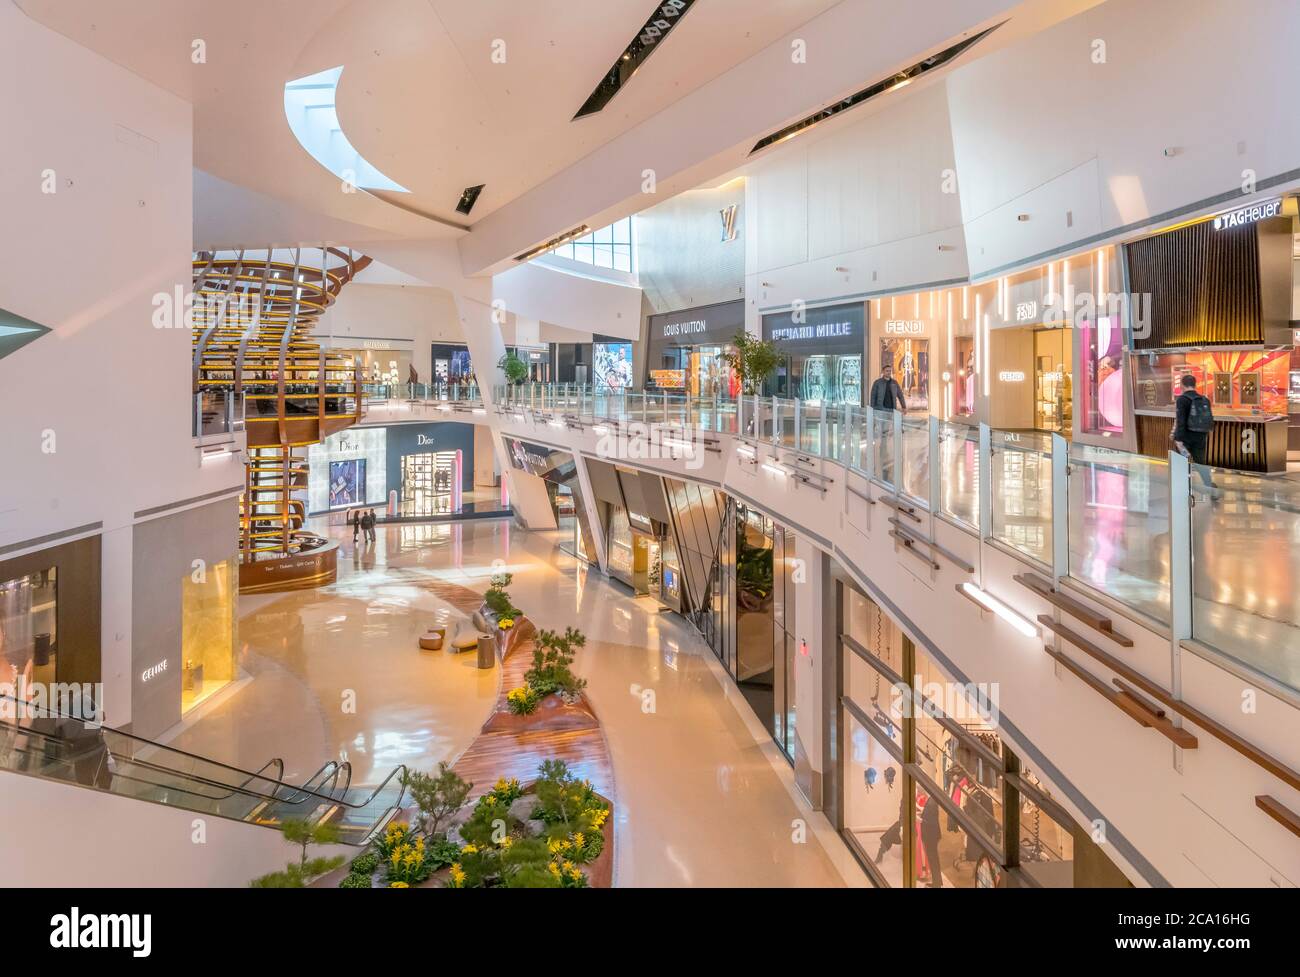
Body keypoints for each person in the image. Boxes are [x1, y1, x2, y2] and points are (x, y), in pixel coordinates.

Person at [1172, 373, 1219, 496]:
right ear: (1195, 384)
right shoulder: (1204, 399)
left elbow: (1181, 421)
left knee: (1180, 464)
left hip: (1186, 438)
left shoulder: (1182, 400)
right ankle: (1211, 489)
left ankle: (1181, 490)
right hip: (1200, 437)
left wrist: (1178, 439)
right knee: (1201, 464)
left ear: (1182, 385)